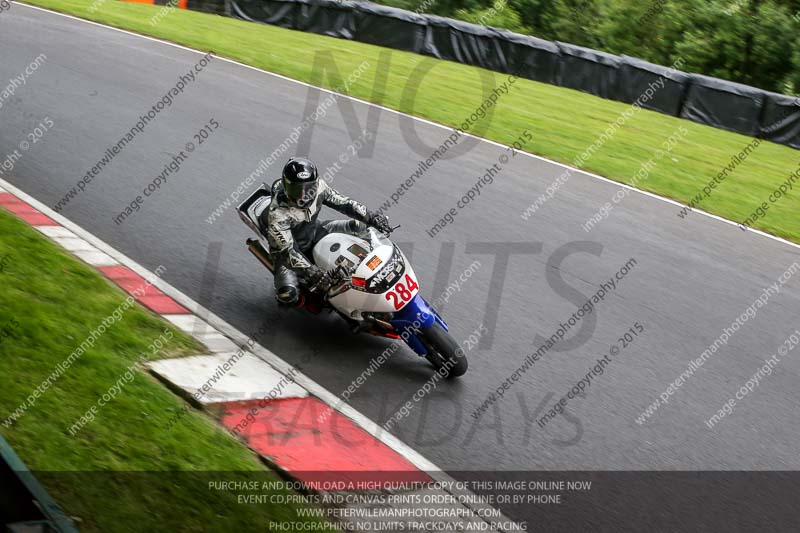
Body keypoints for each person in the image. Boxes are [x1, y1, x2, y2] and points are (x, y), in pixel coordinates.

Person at [263, 157, 391, 306]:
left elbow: (345, 203)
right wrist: (312, 272)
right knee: (288, 296)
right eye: (297, 190)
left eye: (308, 188)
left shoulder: (319, 188)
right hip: (288, 256)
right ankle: (305, 302)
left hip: (316, 232)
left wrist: (372, 217)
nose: (303, 196)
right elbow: (288, 251)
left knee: (359, 227)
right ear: (286, 186)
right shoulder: (278, 213)